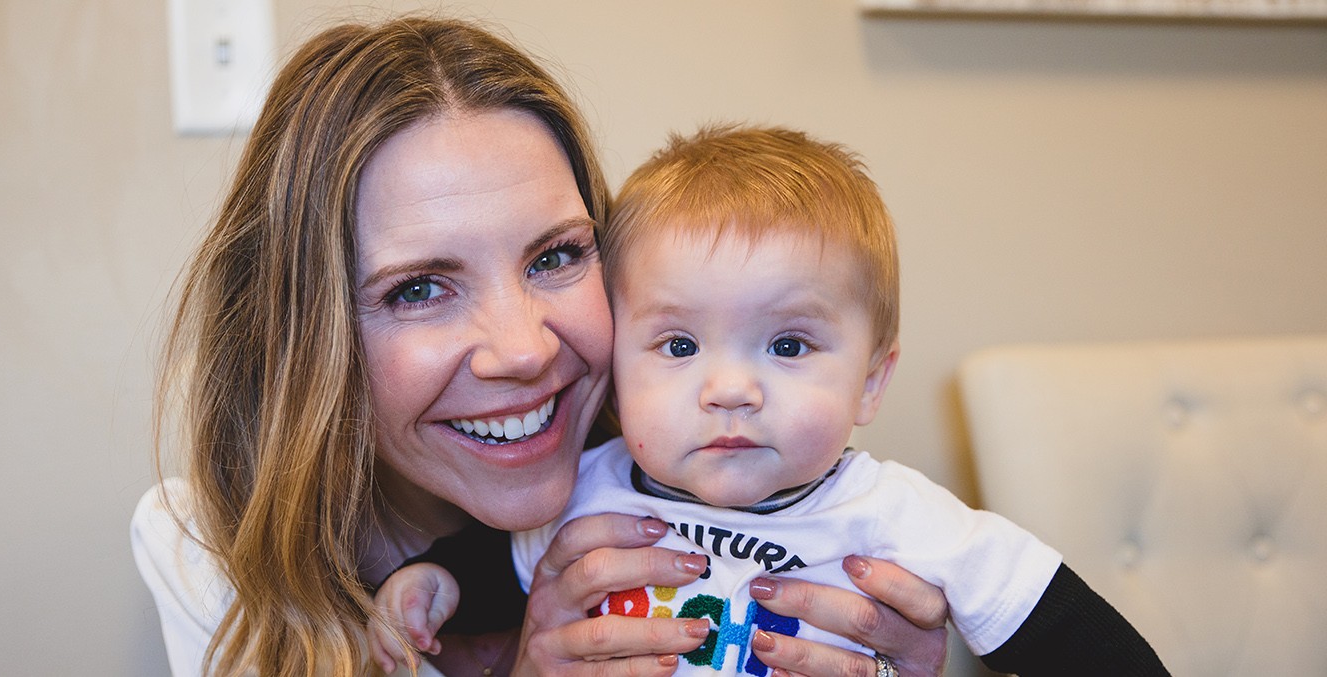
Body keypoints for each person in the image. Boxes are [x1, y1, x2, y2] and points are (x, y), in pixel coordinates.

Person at [130, 16, 953, 677]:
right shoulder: (211, 550)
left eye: (556, 255)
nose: (523, 350)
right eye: (419, 288)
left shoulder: (693, 474)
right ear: (306, 339)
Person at [372, 125, 1168, 676]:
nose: (729, 389)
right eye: (679, 346)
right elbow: (495, 569)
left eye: (788, 346)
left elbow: (1063, 623)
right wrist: (431, 584)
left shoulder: (892, 517)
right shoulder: (592, 488)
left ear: (870, 380)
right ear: (619, 358)